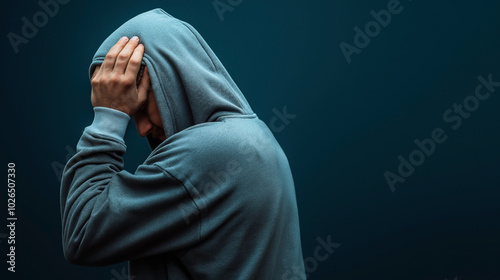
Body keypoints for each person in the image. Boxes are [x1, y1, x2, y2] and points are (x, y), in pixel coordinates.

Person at [60, 8, 305, 280]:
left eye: (141, 107)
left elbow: (82, 233)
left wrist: (108, 118)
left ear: (174, 76)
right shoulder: (254, 135)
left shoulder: (208, 155)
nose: (141, 130)